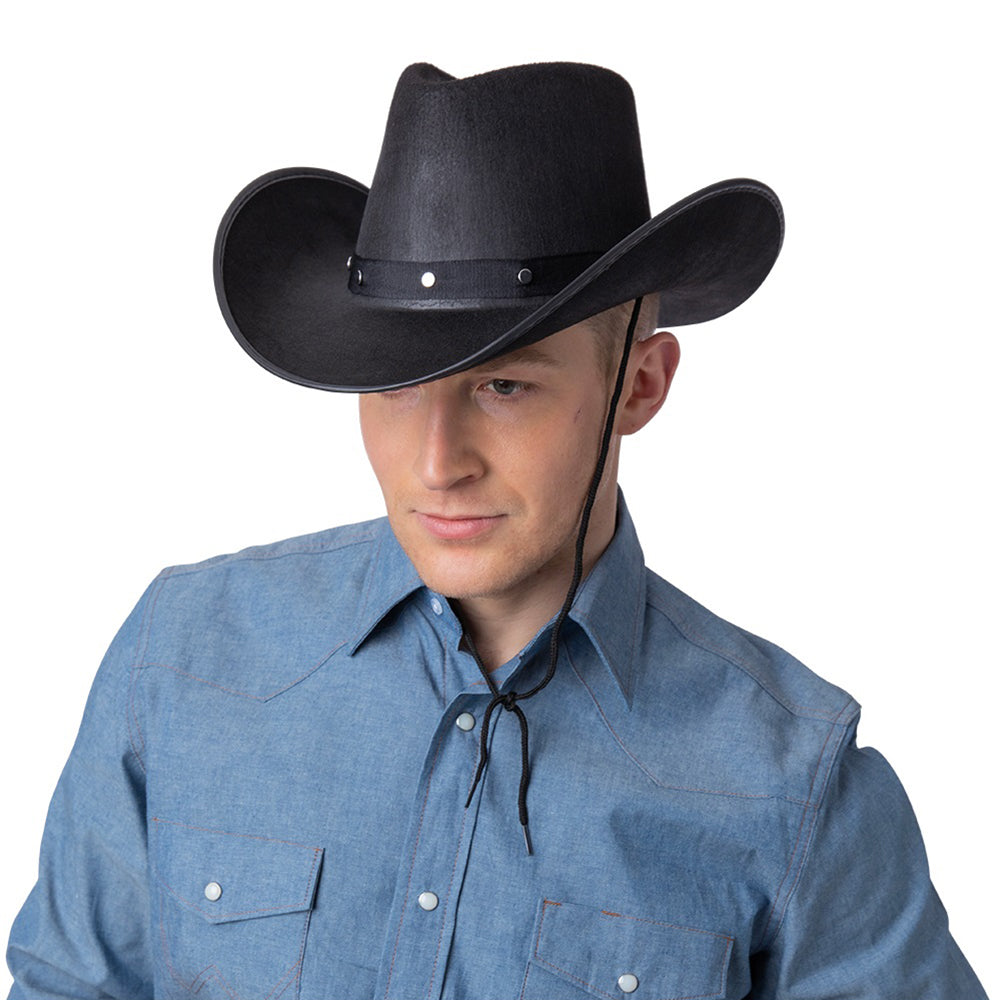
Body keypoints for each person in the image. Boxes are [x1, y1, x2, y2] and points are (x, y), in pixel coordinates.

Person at [5, 61, 987, 1000]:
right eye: (395, 386)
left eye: (503, 386)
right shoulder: (186, 654)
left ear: (639, 385)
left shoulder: (790, 780)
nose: (437, 462)